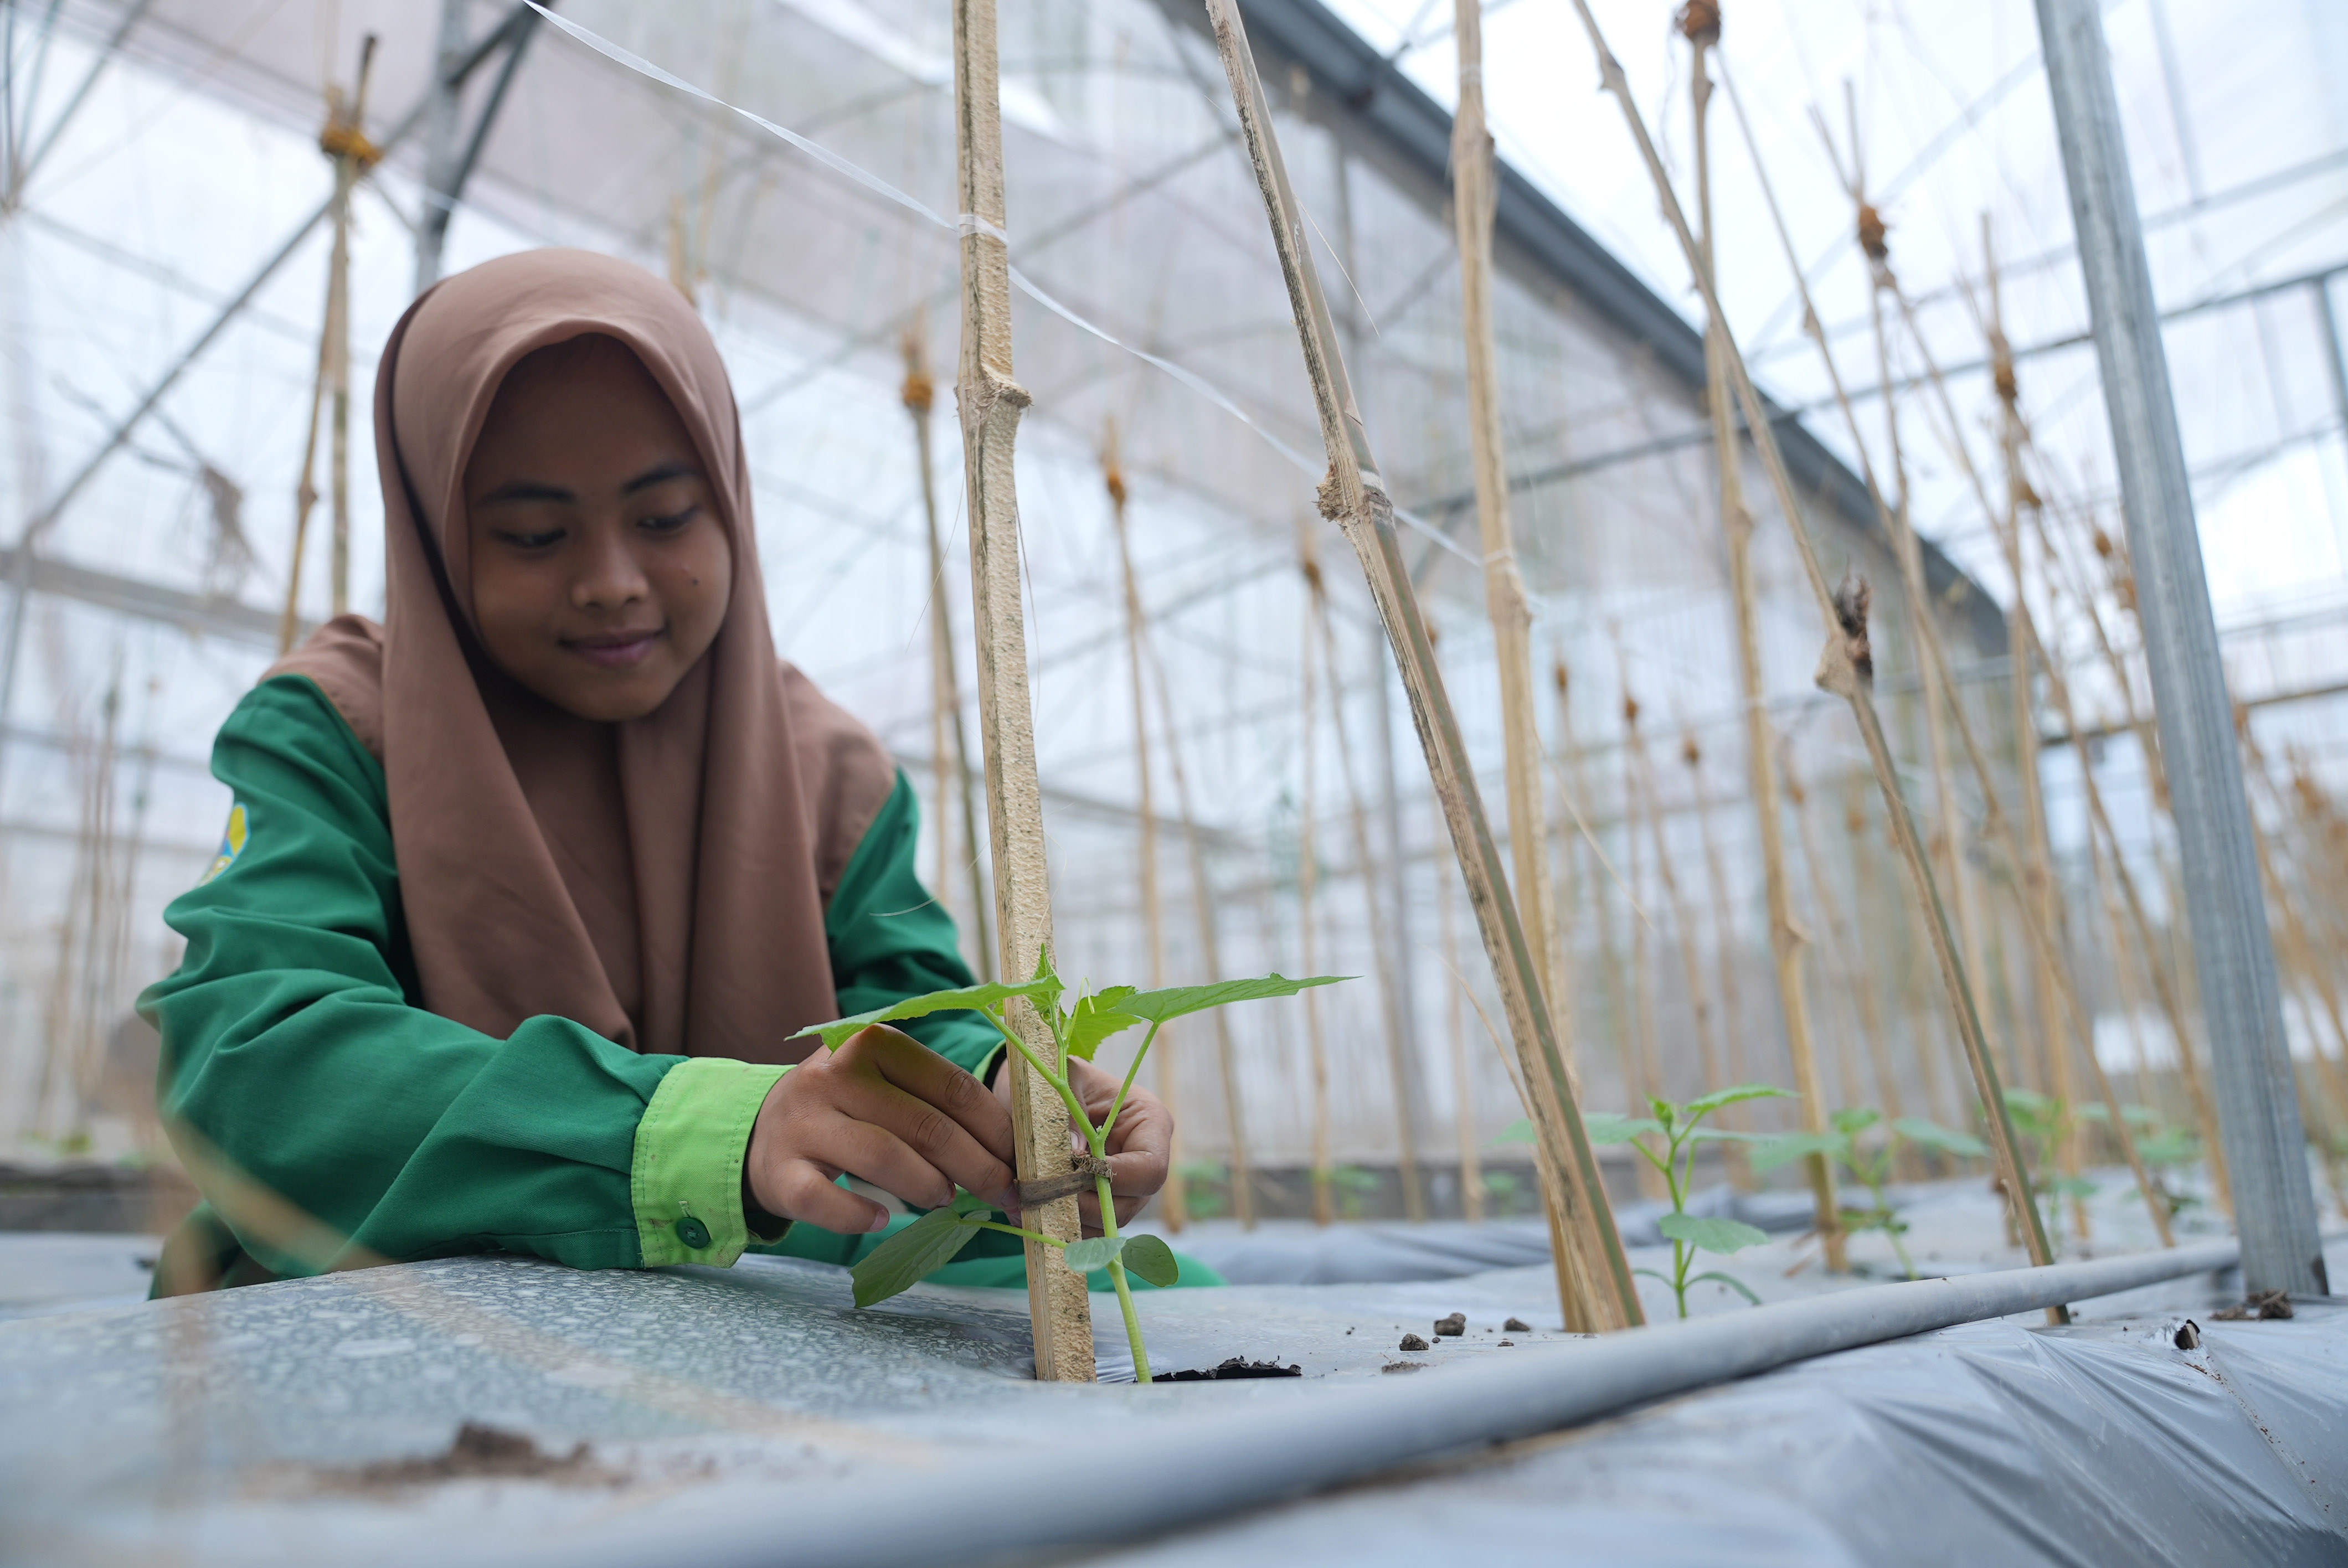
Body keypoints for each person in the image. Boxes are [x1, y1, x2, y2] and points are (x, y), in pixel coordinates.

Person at [141, 248, 1203, 1297]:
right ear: (432, 532)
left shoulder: (828, 773)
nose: (611, 582)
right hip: (390, 1305)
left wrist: (999, 1090)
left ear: (732, 502)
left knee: (1178, 1302)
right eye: (533, 533)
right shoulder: (337, 728)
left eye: (663, 519)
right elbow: (258, 1062)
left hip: (772, 1299)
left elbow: (910, 1009)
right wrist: (709, 1133)